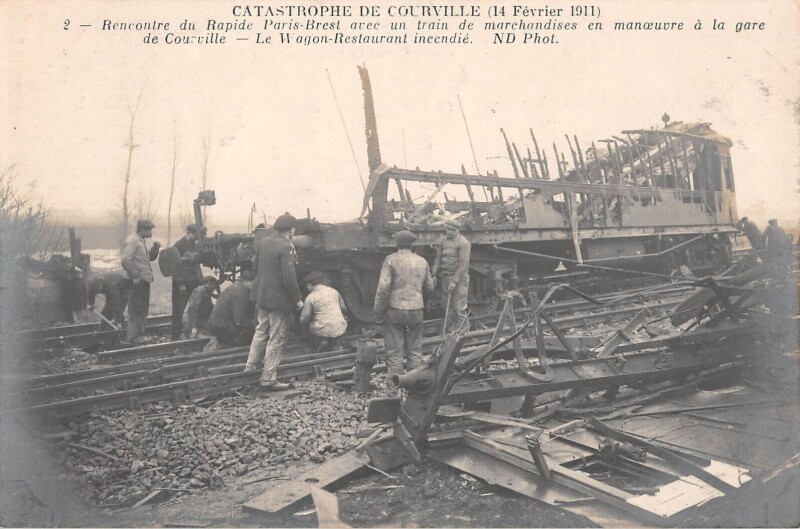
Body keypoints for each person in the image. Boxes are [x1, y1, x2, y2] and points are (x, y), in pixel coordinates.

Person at [244, 213, 303, 390]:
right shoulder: (287, 247)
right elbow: (289, 278)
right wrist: (297, 300)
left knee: (260, 331)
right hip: (278, 301)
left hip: (261, 296)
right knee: (276, 337)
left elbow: (255, 268)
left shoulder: (264, 242)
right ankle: (268, 377)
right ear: (291, 229)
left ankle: (250, 367)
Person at [373, 230, 434, 392]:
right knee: (415, 352)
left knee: (394, 353)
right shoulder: (422, 261)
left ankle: (394, 391)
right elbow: (429, 287)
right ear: (412, 244)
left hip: (395, 310)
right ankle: (415, 390)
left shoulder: (390, 260)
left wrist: (378, 312)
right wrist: (423, 303)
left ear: (397, 243)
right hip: (416, 309)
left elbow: (383, 288)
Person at [121, 219, 160, 343]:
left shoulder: (140, 241)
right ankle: (133, 336)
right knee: (135, 308)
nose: (150, 233)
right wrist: (135, 277)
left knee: (142, 308)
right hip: (136, 282)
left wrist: (155, 249)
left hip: (143, 281)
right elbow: (126, 260)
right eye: (149, 230)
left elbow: (147, 260)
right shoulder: (133, 240)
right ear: (142, 229)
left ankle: (139, 334)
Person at [432, 218, 472, 333]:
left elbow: (464, 264)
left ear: (457, 230)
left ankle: (464, 330)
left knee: (459, 306)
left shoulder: (463, 243)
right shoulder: (443, 241)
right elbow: (438, 258)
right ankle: (451, 330)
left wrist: (455, 281)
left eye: (451, 230)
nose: (449, 231)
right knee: (447, 306)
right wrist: (434, 274)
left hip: (459, 278)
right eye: (447, 229)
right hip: (445, 276)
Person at [206, 270, 256, 349]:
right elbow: (240, 320)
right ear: (246, 282)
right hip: (223, 327)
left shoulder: (236, 287)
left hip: (216, 324)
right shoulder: (241, 293)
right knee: (249, 336)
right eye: (254, 283)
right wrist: (254, 326)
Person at [299, 271, 348, 352]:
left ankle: (321, 342)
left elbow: (304, 319)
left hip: (321, 330)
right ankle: (335, 343)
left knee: (309, 327)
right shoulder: (334, 291)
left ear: (309, 285)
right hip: (340, 328)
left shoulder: (310, 297)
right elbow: (343, 308)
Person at [170, 224, 203, 340]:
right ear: (190, 233)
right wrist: (180, 284)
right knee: (179, 309)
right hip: (182, 283)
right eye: (197, 235)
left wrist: (200, 278)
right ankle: (175, 337)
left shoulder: (194, 245)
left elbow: (196, 264)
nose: (198, 238)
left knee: (194, 307)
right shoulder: (179, 245)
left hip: (193, 281)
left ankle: (188, 333)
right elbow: (174, 267)